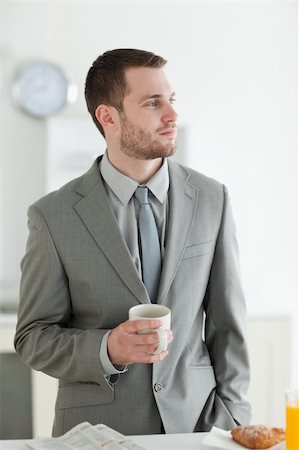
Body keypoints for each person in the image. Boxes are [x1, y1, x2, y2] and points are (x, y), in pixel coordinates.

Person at [14, 48, 251, 437]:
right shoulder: (52, 216)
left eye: (170, 100)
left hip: (199, 428)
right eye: (153, 103)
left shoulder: (212, 198)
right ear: (108, 116)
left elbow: (229, 327)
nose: (172, 115)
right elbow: (33, 337)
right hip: (96, 433)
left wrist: (232, 422)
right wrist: (108, 349)